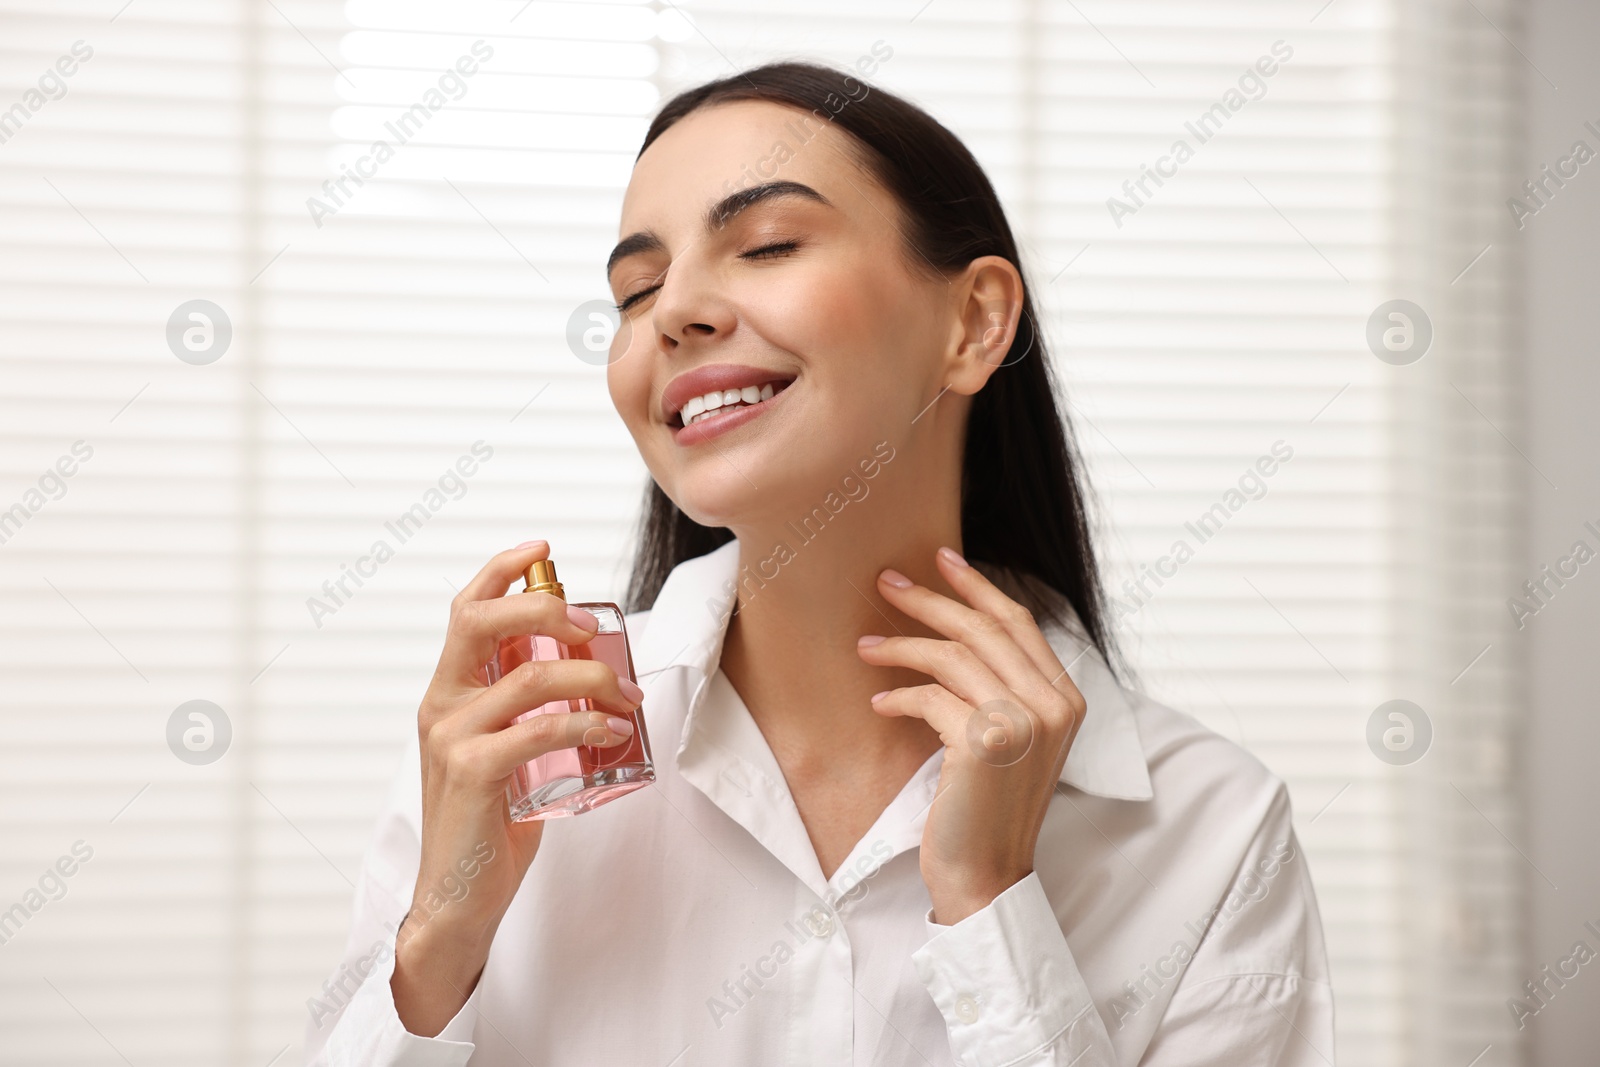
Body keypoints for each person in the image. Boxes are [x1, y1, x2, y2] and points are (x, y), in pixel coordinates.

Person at [307, 61, 1333, 1066]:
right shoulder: (508, 764)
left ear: (973, 321)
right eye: (637, 287)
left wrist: (990, 905)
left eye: (766, 244)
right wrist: (439, 940)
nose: (673, 313)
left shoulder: (1213, 834)